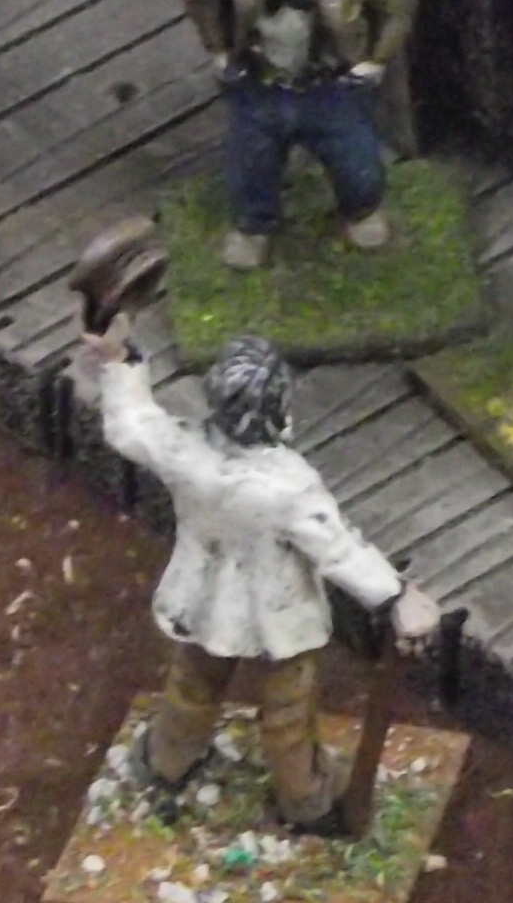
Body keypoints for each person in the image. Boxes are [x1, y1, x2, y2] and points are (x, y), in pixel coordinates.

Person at [81, 324, 443, 834]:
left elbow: (132, 425)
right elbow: (338, 549)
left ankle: (164, 762)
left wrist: (119, 360)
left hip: (203, 601)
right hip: (280, 616)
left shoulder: (184, 450)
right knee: (288, 712)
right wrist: (396, 595)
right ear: (278, 406)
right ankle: (306, 802)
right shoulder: (290, 486)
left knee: (192, 687)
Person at [181, 0, 416, 270]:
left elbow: (399, 5)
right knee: (250, 163)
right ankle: (255, 226)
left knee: (356, 161)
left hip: (330, 89)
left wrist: (374, 61)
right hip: (260, 85)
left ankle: (360, 210)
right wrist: (218, 49)